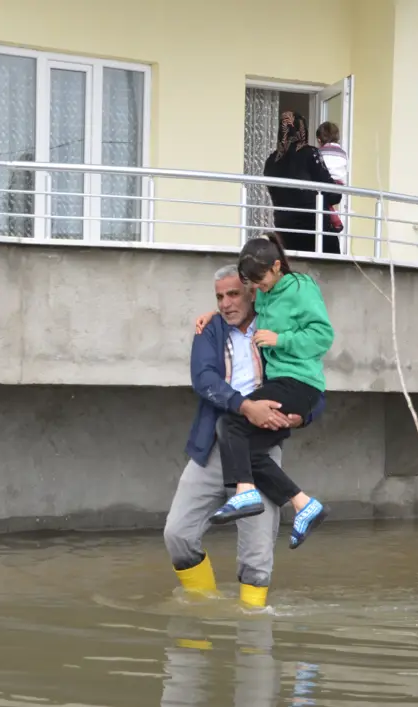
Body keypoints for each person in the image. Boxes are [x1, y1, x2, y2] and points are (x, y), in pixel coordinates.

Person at [163, 264, 326, 608]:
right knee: (178, 534)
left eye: (233, 293)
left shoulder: (279, 327)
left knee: (257, 557)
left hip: (259, 453)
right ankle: (202, 610)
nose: (225, 303)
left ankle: (253, 639)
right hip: (211, 448)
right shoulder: (209, 330)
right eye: (219, 296)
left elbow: (313, 386)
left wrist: (301, 418)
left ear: (254, 292)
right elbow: (203, 379)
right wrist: (244, 406)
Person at [194, 234, 333, 549]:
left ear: (276, 266)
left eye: (261, 280)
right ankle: (303, 504)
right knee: (247, 447)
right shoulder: (264, 290)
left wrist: (280, 340)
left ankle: (245, 493)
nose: (258, 287)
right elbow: (241, 305)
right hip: (282, 382)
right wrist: (213, 314)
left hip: (299, 381)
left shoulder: (300, 288)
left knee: (230, 423)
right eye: (252, 283)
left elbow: (323, 335)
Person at [263, 111, 342, 254]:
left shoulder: (271, 160)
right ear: (302, 130)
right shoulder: (309, 153)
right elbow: (334, 195)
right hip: (315, 231)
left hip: (285, 231)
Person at [316, 121, 348, 233]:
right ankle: (335, 222)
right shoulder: (343, 153)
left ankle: (336, 222)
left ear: (319, 140)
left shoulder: (320, 152)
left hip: (327, 185)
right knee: (326, 203)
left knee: (317, 197)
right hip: (339, 188)